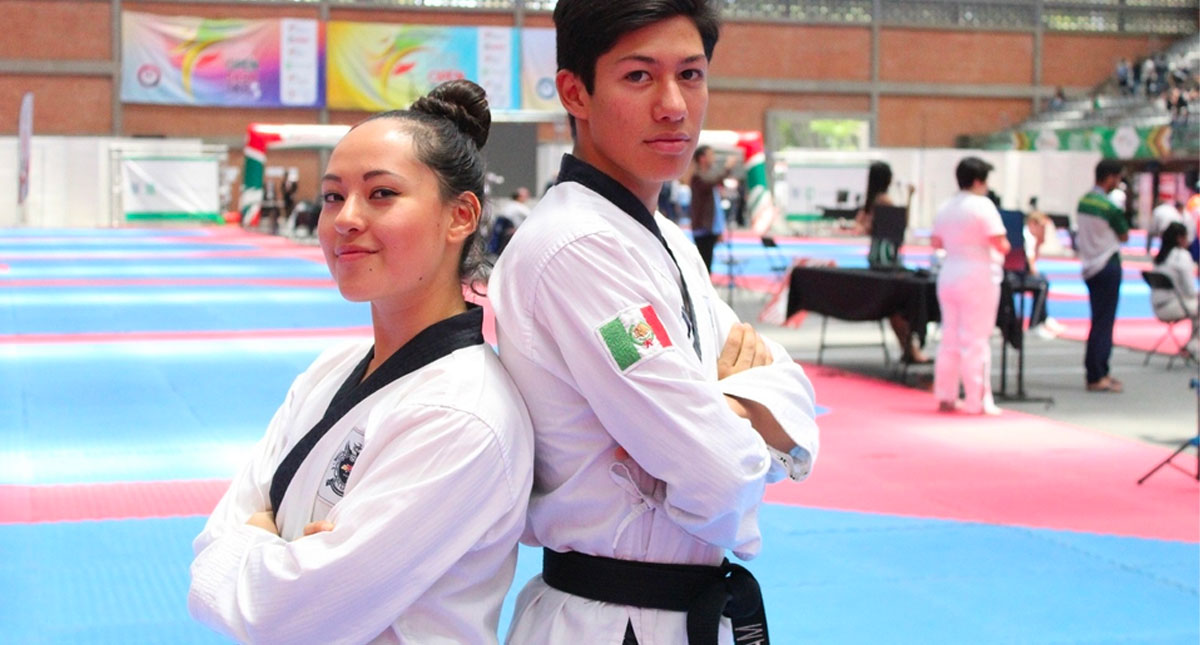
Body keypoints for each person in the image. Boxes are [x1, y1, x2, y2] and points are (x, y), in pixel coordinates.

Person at [489, 1, 820, 643]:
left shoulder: (665, 237)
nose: (673, 105)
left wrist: (712, 410)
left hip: (678, 612)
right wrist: (731, 418)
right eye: (639, 76)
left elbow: (786, 385)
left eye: (690, 75)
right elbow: (719, 469)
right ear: (575, 92)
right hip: (611, 621)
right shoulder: (577, 249)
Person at [188, 80, 535, 644]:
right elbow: (213, 541)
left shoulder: (463, 414)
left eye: (381, 194)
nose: (345, 218)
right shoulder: (331, 368)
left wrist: (255, 541)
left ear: (460, 216)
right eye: (332, 196)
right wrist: (274, 556)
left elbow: (286, 614)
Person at [931, 157, 1010, 415]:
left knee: (949, 336)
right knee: (976, 339)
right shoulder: (983, 206)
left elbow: (936, 242)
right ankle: (978, 399)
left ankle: (946, 395)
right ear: (978, 181)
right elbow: (1000, 242)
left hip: (950, 272)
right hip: (977, 274)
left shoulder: (946, 206)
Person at [854, 160, 929, 363]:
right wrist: (910, 197)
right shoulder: (884, 200)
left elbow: (863, 226)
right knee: (898, 305)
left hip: (875, 255)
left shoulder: (869, 202)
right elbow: (901, 224)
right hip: (887, 257)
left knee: (892, 307)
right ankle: (910, 349)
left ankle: (908, 348)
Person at [1076, 159, 1129, 393]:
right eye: (1117, 178)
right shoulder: (1110, 207)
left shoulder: (1083, 201)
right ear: (1110, 178)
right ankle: (1097, 374)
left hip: (1089, 265)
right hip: (1107, 264)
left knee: (1098, 321)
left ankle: (1098, 371)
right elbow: (1124, 235)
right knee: (1104, 323)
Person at [1151, 222, 1199, 357]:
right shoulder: (1182, 256)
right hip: (1174, 306)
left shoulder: (1160, 257)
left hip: (1157, 305)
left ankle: (1193, 344)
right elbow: (1190, 291)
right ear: (1180, 238)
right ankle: (1194, 345)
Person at [688, 144, 735, 273]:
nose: (713, 158)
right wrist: (727, 168)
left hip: (710, 228)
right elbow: (712, 181)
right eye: (711, 155)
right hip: (703, 228)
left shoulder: (706, 177)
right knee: (704, 265)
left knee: (708, 264)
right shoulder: (698, 178)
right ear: (702, 158)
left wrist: (719, 229)